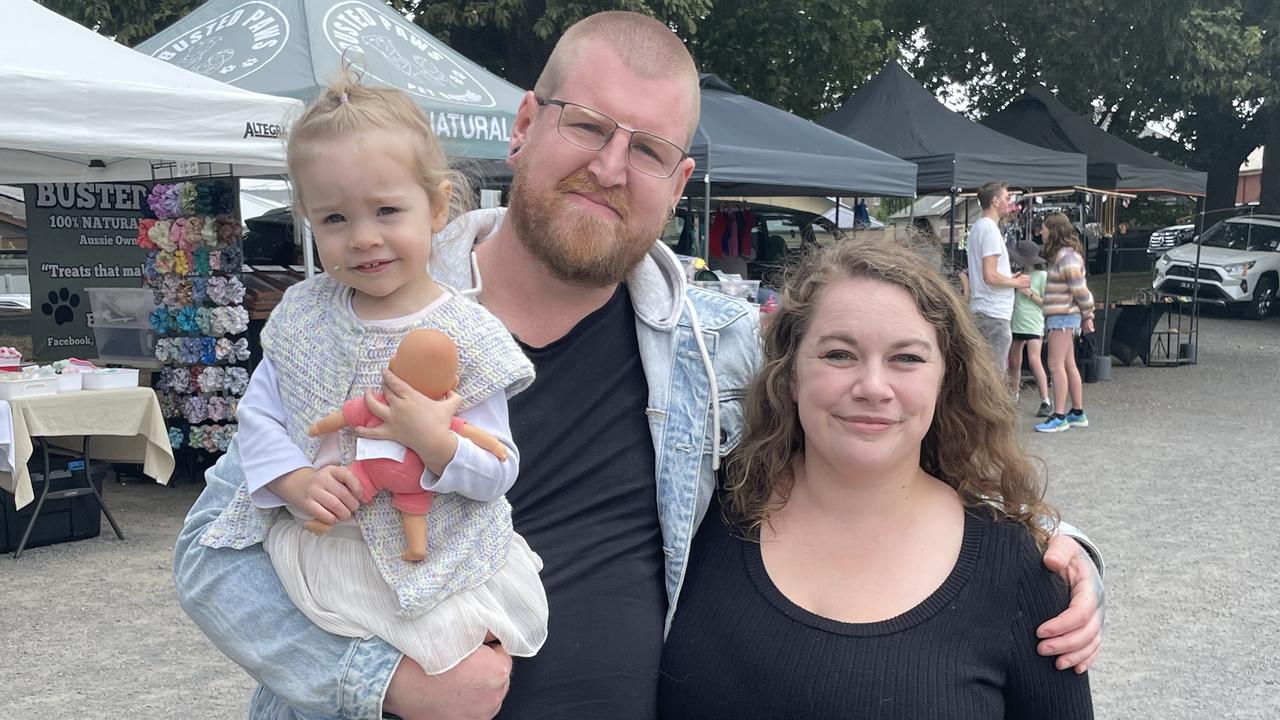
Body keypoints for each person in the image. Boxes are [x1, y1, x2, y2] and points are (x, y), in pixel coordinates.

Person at [174, 12, 1105, 720]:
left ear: (679, 182)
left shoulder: (718, 347)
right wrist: (388, 687)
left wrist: (1055, 554)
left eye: (649, 149)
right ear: (525, 124)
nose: (611, 167)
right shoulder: (349, 322)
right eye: (587, 126)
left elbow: (876, 436)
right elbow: (211, 557)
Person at [658, 236, 1093, 718]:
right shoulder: (698, 516)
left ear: (946, 378)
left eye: (906, 358)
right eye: (839, 354)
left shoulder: (1021, 572)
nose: (872, 387)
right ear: (790, 373)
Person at [203, 76, 549, 677]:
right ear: (308, 220)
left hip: (439, 558)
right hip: (328, 548)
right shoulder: (303, 315)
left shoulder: (470, 334)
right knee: (343, 684)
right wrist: (291, 479)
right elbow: (259, 414)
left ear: (438, 205)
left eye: (387, 210)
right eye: (334, 218)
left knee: (451, 680)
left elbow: (499, 470)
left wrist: (435, 442)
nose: (363, 237)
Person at [1035, 213, 1095, 433]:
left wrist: (1089, 314)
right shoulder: (1066, 256)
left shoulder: (1066, 258)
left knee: (1055, 365)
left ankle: (1059, 415)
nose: (1041, 232)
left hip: (1062, 316)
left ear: (1054, 230)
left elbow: (1080, 290)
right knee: (1068, 364)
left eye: (1044, 228)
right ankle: (1077, 412)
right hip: (1064, 316)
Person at [966, 182, 1032, 371]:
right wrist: (1015, 282)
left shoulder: (977, 228)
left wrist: (1008, 277)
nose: (1009, 202)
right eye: (1006, 198)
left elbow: (986, 272)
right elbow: (990, 276)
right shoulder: (990, 230)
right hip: (993, 312)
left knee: (984, 370)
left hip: (983, 309)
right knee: (995, 374)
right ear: (995, 201)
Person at [1008, 236, 1052, 416]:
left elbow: (1046, 303)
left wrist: (1027, 293)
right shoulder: (1017, 276)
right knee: (1014, 362)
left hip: (1034, 323)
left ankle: (1045, 400)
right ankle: (1013, 397)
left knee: (1034, 360)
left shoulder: (1042, 276)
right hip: (1017, 321)